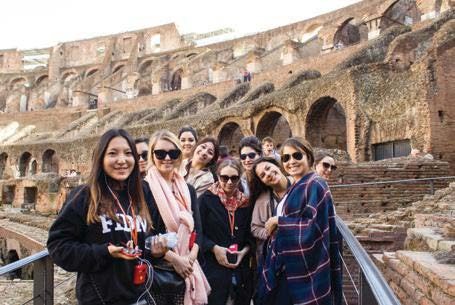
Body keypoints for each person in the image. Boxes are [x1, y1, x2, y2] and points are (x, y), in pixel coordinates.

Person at [47, 128, 167, 305]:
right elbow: (58, 247)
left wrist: (156, 251)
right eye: (112, 153)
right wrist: (104, 252)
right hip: (99, 299)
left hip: (140, 297)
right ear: (101, 159)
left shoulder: (144, 193)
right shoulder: (84, 196)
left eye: (128, 153)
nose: (121, 160)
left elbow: (149, 239)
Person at [259, 137, 342, 305]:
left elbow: (313, 227)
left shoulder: (315, 184)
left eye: (297, 155)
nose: (291, 161)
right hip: (287, 266)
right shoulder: (297, 185)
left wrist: (279, 221)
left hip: (303, 271)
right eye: (286, 158)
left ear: (308, 157)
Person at [144, 130, 210, 305]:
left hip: (188, 267)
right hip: (159, 271)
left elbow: (198, 230)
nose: (167, 158)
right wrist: (175, 260)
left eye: (173, 153)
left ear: (179, 156)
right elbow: (143, 234)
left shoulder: (188, 189)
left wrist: (190, 258)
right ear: (152, 155)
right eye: (160, 153)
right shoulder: (143, 188)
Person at [198, 159, 254, 305]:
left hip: (239, 269)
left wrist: (244, 252)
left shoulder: (245, 203)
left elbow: (250, 234)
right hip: (213, 269)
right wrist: (214, 248)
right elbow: (196, 232)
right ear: (218, 176)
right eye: (225, 178)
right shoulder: (206, 200)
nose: (229, 182)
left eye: (234, 178)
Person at [249, 157, 293, 261]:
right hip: (279, 256)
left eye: (268, 168)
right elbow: (255, 228)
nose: (268, 174)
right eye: (263, 175)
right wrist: (270, 233)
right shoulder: (263, 200)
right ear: (262, 182)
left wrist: (279, 222)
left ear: (277, 165)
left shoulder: (301, 185)